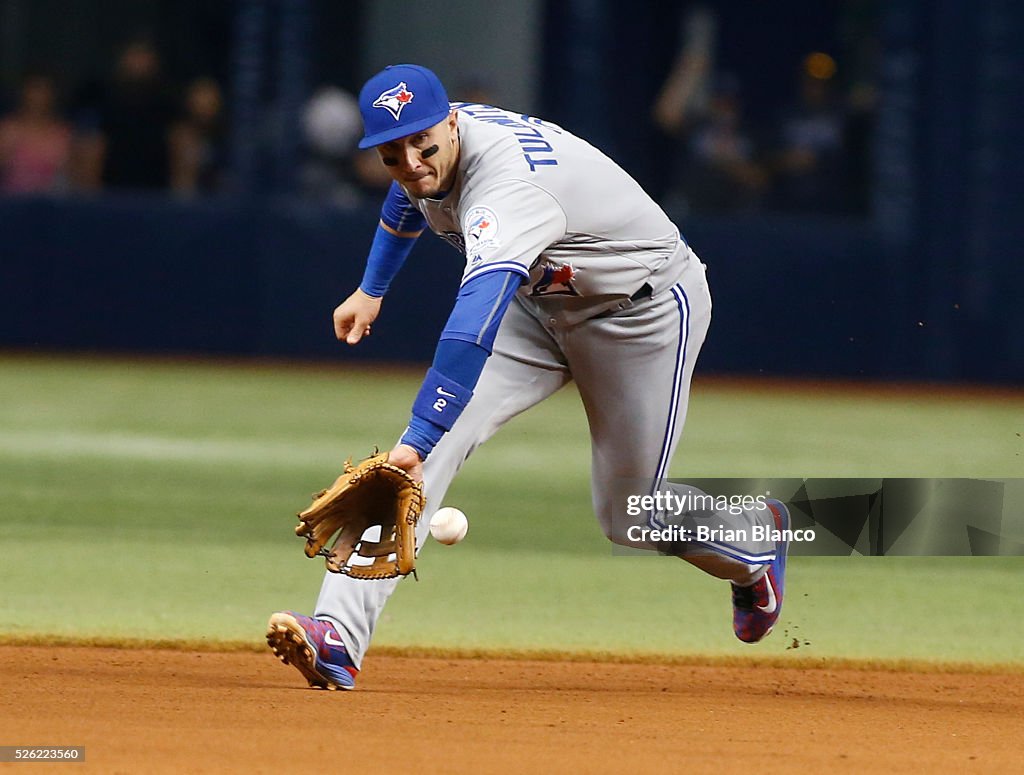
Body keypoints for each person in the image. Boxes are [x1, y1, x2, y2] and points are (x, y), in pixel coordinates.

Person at [267, 64, 791, 690]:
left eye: (422, 144)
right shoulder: (430, 141)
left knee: (629, 514)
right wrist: (371, 288)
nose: (410, 161)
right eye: (392, 152)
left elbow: (470, 326)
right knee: (415, 465)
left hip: (640, 314)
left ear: (453, 122)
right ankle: (337, 639)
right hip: (542, 302)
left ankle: (753, 544)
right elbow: (412, 191)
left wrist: (420, 429)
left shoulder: (507, 193)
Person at [0, 72, 72, 195]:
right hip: (13, 204)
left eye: (44, 91)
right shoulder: (7, 130)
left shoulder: (62, 133)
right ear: (24, 93)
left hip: (53, 206)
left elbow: (71, 178)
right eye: (35, 89)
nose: (38, 97)